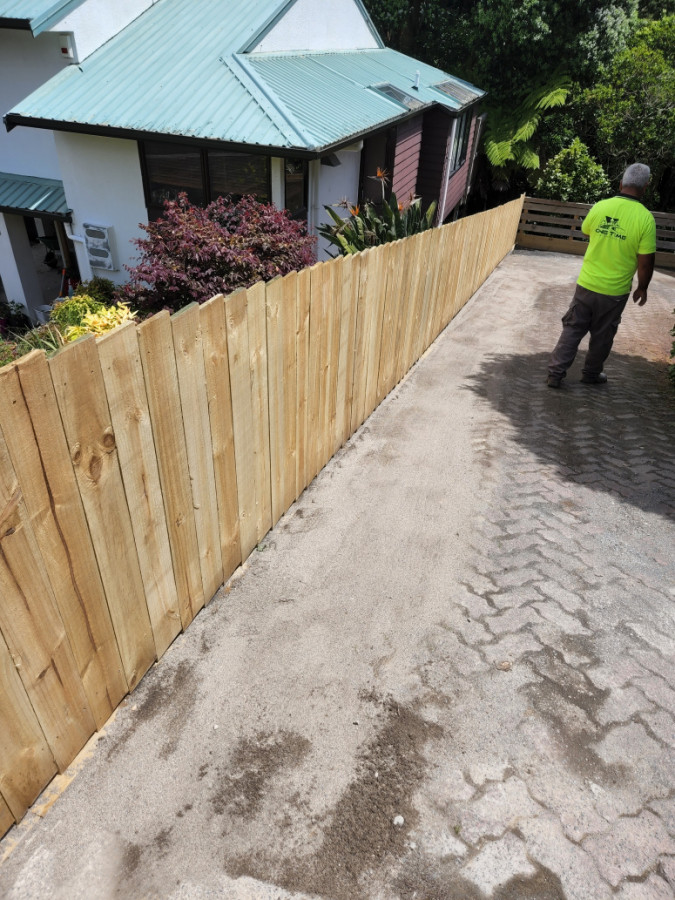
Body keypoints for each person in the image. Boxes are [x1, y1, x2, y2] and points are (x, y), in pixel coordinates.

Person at [546, 163, 656, 388]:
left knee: (573, 329)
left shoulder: (600, 206)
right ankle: (591, 374)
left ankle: (555, 374)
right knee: (603, 335)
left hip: (586, 284)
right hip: (614, 293)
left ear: (620, 184)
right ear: (645, 188)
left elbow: (587, 230)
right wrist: (642, 287)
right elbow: (645, 263)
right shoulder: (645, 219)